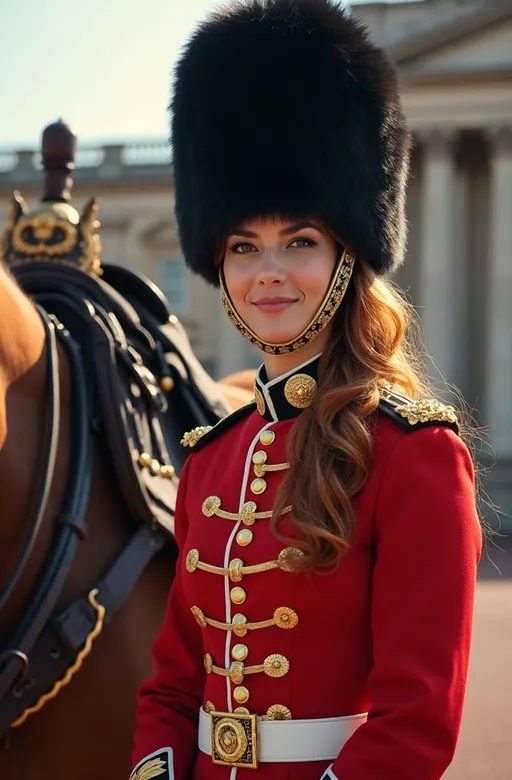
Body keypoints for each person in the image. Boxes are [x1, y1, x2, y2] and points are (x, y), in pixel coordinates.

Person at [130, 1, 482, 778]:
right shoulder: (209, 461)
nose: (270, 273)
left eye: (300, 241)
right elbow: (171, 686)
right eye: (243, 247)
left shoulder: (416, 453)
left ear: (349, 254)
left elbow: (417, 720)